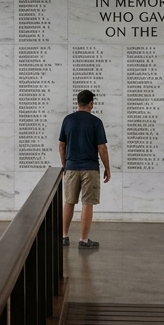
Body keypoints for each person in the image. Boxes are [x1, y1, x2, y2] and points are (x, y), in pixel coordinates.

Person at [59, 89, 111, 248]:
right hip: (90, 168)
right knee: (87, 203)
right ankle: (83, 240)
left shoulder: (68, 120)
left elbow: (61, 146)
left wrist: (65, 165)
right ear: (91, 104)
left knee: (68, 202)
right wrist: (107, 168)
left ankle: (63, 236)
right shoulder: (96, 122)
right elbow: (102, 147)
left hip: (71, 167)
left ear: (78, 102)